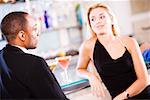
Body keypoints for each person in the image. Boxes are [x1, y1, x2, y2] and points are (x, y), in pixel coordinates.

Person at [76, 3, 150, 99]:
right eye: (93, 19)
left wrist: (122, 96)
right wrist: (91, 76)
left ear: (111, 19)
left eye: (102, 17)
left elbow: (144, 80)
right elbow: (79, 69)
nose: (97, 21)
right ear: (90, 25)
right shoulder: (87, 46)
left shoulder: (130, 42)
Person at [0, 11, 68, 99]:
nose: (38, 34)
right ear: (22, 35)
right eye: (35, 29)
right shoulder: (35, 63)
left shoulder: (2, 57)